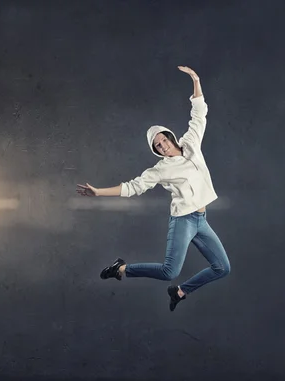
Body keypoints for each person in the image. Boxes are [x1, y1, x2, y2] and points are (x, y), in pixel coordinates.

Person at [76, 66, 231, 312]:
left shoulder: (191, 144)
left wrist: (196, 80)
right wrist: (98, 192)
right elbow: (133, 187)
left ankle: (180, 292)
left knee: (222, 268)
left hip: (201, 219)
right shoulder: (161, 169)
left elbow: (199, 114)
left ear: (171, 136)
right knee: (170, 271)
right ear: (156, 151)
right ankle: (121, 268)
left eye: (164, 140)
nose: (163, 146)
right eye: (158, 146)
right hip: (183, 220)